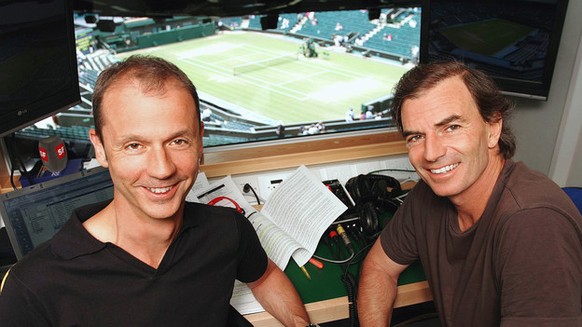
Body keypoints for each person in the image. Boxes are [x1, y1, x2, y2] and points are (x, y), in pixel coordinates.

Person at [0, 55, 313, 326]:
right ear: (101, 149)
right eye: (135, 145)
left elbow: (265, 275)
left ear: (200, 141)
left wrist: (301, 324)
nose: (162, 169)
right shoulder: (32, 288)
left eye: (178, 141)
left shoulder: (228, 229)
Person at [358, 61, 582, 326]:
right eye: (416, 137)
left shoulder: (532, 223)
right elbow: (379, 268)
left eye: (451, 127)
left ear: (492, 128)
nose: (431, 154)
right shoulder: (427, 193)